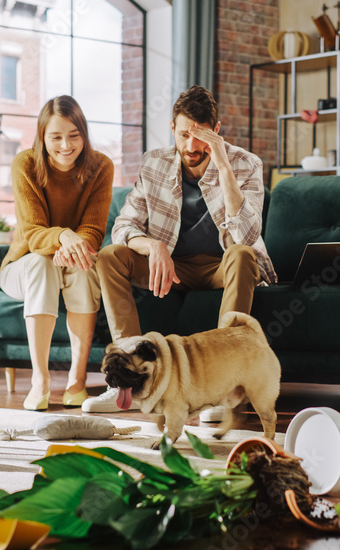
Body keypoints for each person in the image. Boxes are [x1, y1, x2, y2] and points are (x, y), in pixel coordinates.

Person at [82, 85, 277, 416]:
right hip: (171, 268)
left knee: (243, 255)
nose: (191, 146)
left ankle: (226, 390)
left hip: (222, 265)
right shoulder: (154, 164)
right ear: (172, 128)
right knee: (109, 256)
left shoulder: (246, 164)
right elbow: (123, 227)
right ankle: (124, 380)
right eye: (184, 134)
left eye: (201, 137)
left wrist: (224, 167)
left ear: (216, 131)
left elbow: (245, 237)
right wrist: (152, 245)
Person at [0, 95, 113, 411]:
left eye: (74, 136)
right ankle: (41, 381)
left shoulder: (101, 167)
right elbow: (34, 233)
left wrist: (75, 248)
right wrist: (63, 237)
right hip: (22, 266)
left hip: (73, 259)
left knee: (86, 266)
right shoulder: (25, 164)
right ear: (42, 137)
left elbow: (94, 228)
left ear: (84, 135)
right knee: (40, 264)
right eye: (56, 137)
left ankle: (76, 382)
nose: (65, 145)